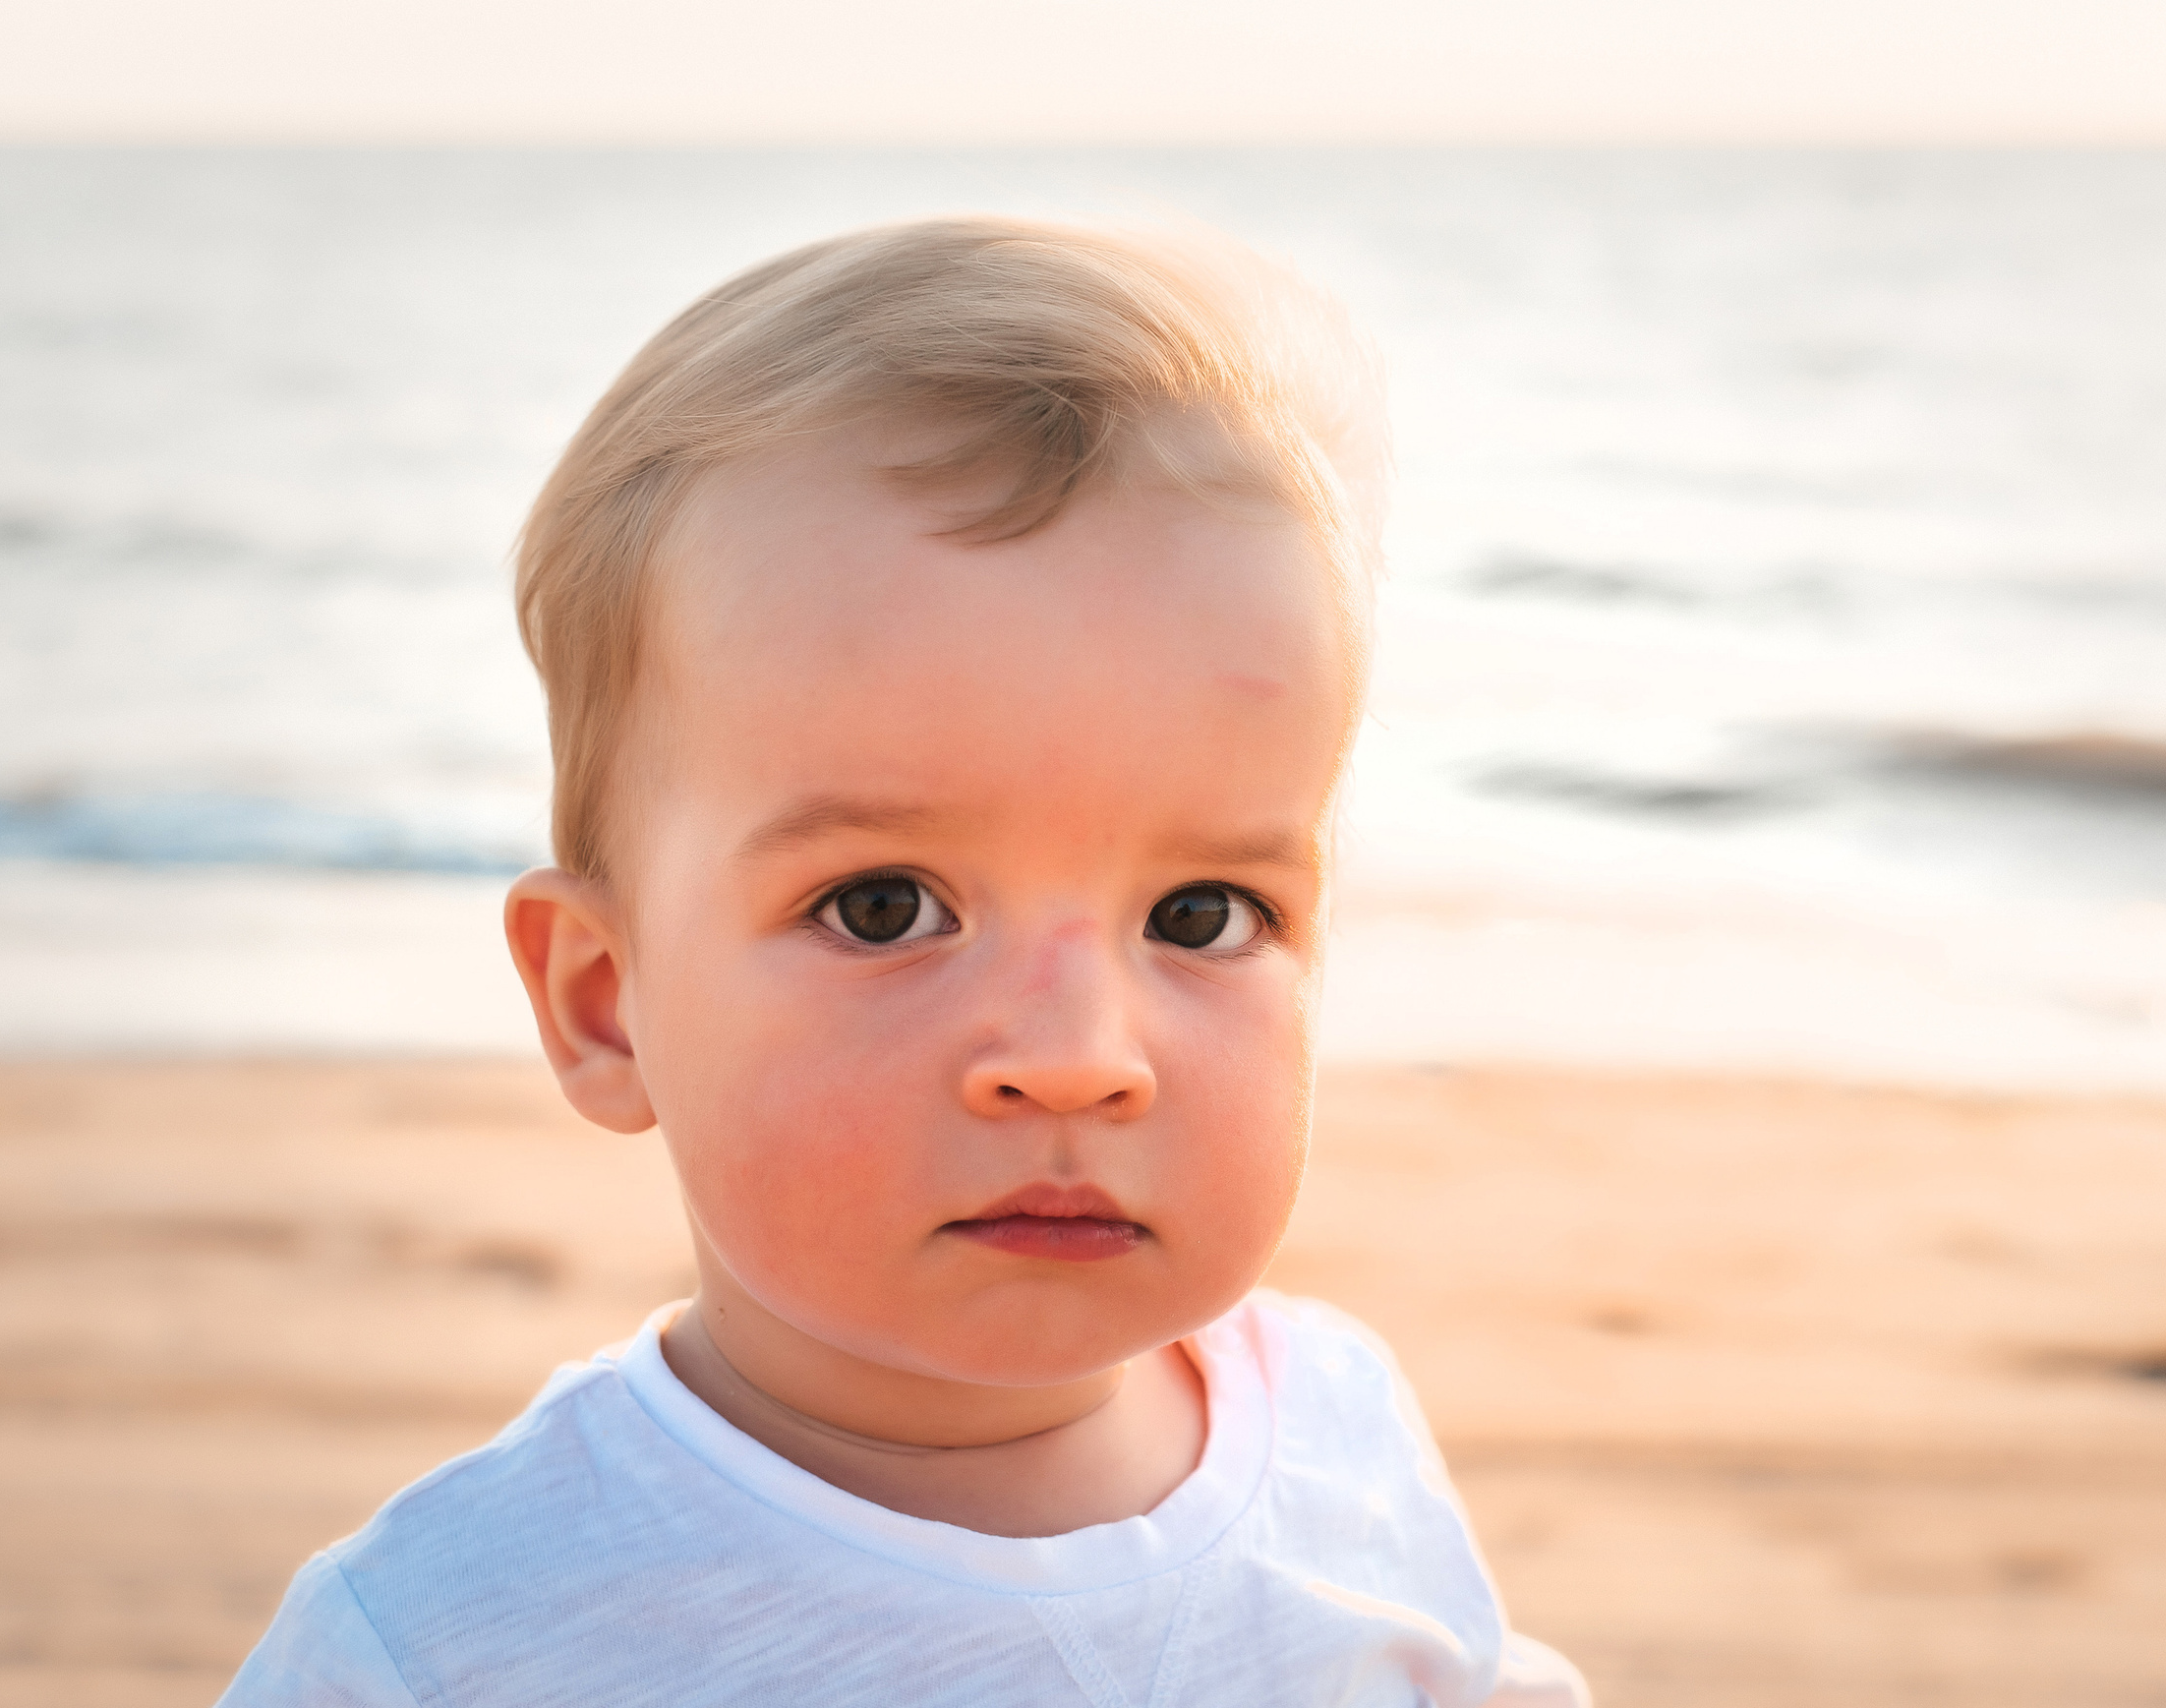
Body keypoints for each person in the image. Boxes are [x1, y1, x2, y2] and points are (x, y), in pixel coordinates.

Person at [218, 216, 1587, 1707]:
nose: (1076, 1051)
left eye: (1201, 914)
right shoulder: (453, 1639)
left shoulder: (1339, 1434)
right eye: (883, 906)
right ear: (606, 1000)